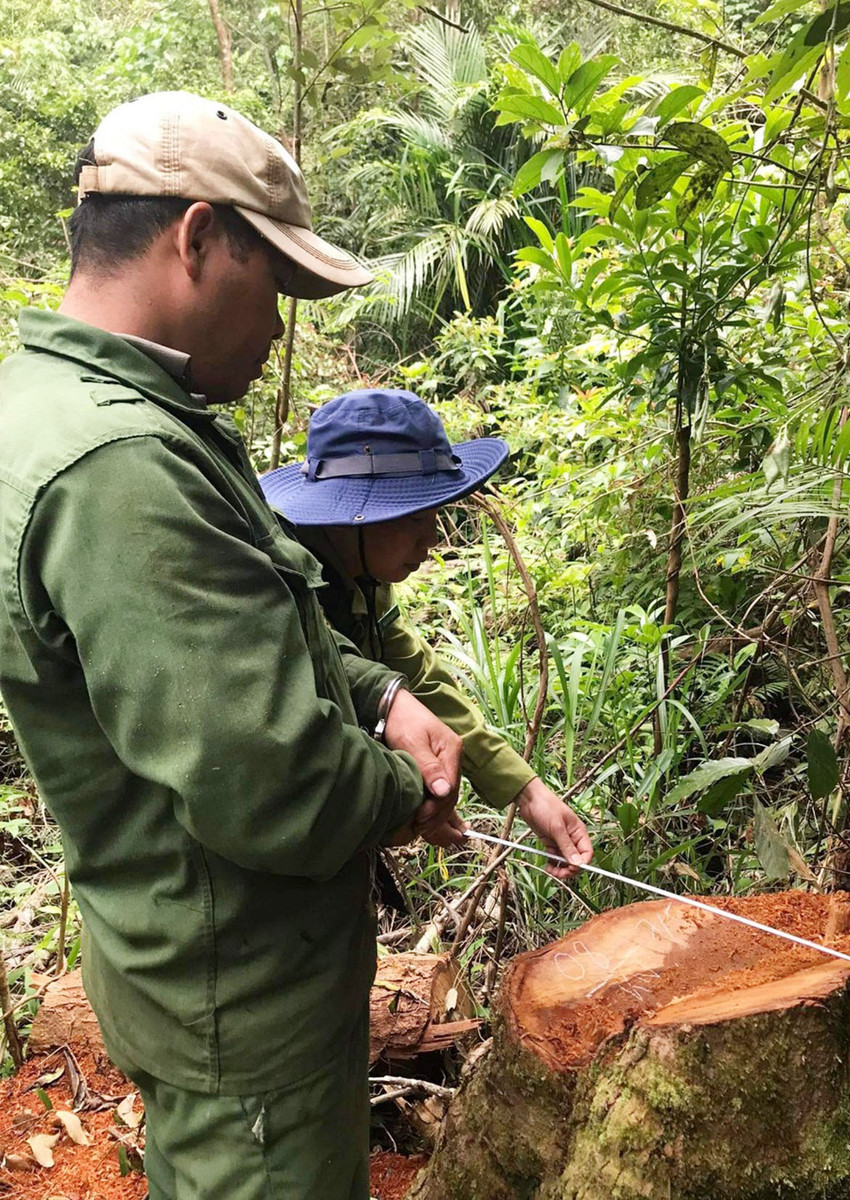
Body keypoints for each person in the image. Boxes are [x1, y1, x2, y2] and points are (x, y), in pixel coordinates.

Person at [0, 91, 483, 1200]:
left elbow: (239, 638)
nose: (277, 330)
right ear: (197, 237)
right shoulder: (122, 467)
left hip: (192, 969)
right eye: (275, 289)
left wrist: (377, 697)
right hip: (246, 1007)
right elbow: (269, 779)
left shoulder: (58, 407)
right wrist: (401, 791)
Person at [259, 389, 594, 877]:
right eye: (414, 516)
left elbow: (416, 676)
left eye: (435, 513)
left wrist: (526, 791)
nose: (432, 539)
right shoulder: (276, 578)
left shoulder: (361, 571)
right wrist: (403, 797)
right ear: (352, 514)